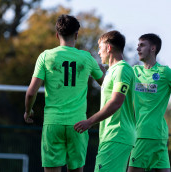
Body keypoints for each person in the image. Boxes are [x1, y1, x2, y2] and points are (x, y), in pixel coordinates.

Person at [24, 14, 104, 172]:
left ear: (56, 35)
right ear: (76, 34)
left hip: (53, 123)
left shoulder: (46, 56)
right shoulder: (86, 58)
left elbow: (31, 93)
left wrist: (28, 111)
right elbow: (105, 83)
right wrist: (100, 68)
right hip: (78, 124)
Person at [128, 33, 171, 172]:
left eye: (142, 45)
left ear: (153, 48)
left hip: (148, 134)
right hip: (149, 134)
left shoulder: (165, 72)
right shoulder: (134, 71)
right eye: (137, 45)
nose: (138, 49)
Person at [74, 30, 136, 172]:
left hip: (117, 135)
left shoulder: (122, 70)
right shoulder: (112, 71)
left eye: (100, 47)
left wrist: (89, 122)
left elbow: (116, 102)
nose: (98, 51)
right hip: (111, 135)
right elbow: (108, 86)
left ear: (109, 48)